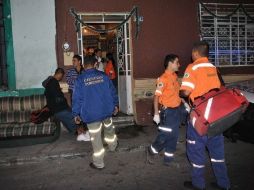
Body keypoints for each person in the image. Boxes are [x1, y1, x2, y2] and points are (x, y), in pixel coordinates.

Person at [180, 41, 230, 190]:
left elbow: (186, 92)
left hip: (200, 117)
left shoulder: (193, 68)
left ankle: (198, 184)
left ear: (195, 53)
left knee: (196, 152)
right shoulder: (214, 68)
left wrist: (180, 93)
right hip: (216, 116)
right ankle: (224, 184)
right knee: (217, 153)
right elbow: (221, 88)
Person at [72, 56, 119, 170]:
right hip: (107, 110)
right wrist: (116, 105)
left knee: (96, 138)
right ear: (95, 65)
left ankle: (99, 163)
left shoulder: (80, 80)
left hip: (91, 114)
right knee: (109, 128)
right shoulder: (104, 76)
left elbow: (77, 99)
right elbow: (113, 92)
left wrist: (76, 114)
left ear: (84, 65)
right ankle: (113, 146)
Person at [147, 54, 182, 166]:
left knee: (174, 136)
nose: (179, 65)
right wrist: (156, 113)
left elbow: (176, 93)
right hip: (167, 112)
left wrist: (184, 103)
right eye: (177, 62)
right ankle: (151, 151)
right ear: (170, 63)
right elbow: (156, 96)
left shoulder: (174, 76)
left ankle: (168, 160)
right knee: (165, 136)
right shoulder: (163, 78)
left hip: (176, 110)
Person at [42, 68, 90, 142]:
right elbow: (57, 98)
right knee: (76, 116)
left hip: (55, 109)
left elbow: (52, 95)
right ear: (59, 74)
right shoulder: (53, 82)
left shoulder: (49, 82)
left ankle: (78, 133)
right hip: (58, 109)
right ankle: (82, 133)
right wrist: (62, 98)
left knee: (69, 118)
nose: (61, 78)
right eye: (61, 76)